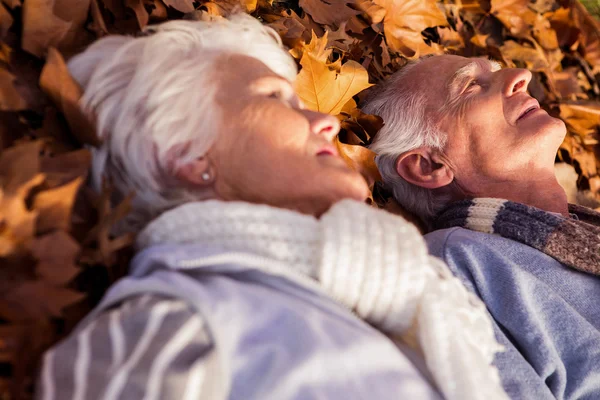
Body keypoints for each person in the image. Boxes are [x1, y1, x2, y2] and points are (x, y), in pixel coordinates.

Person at [34, 17, 507, 400]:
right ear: (186, 154)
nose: (325, 120)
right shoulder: (168, 334)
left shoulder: (402, 297)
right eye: (276, 99)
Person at [363, 54, 600, 399]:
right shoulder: (454, 267)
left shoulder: (584, 233)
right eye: (471, 85)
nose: (521, 75)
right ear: (428, 165)